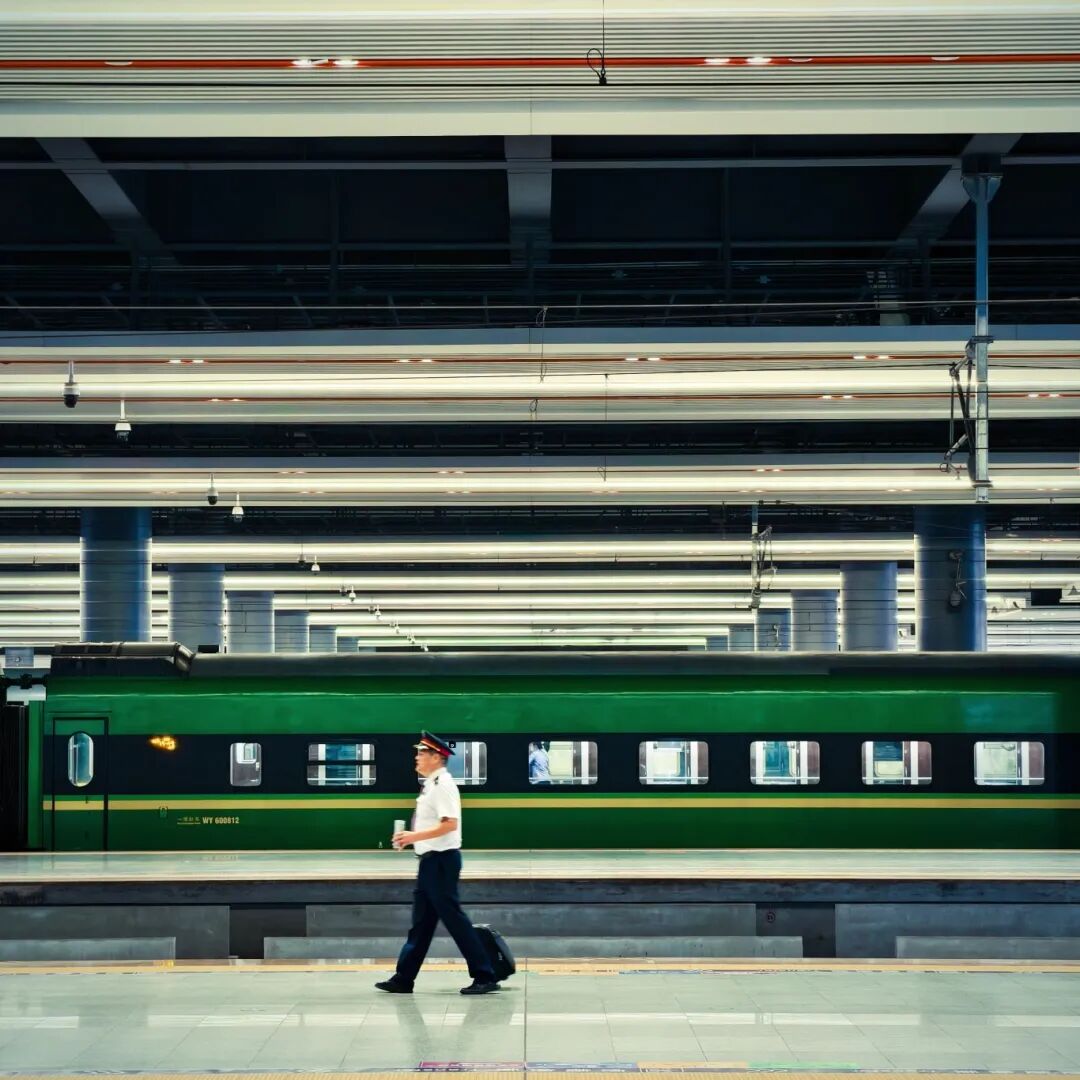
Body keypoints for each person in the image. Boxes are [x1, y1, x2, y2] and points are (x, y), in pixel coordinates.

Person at [376, 731, 500, 996]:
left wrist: (413, 837)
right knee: (421, 923)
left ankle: (485, 974)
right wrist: (411, 841)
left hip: (442, 861)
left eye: (421, 753)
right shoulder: (431, 784)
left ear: (436, 757)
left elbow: (449, 824)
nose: (417, 757)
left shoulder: (443, 784)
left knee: (454, 920)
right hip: (430, 861)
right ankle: (403, 978)